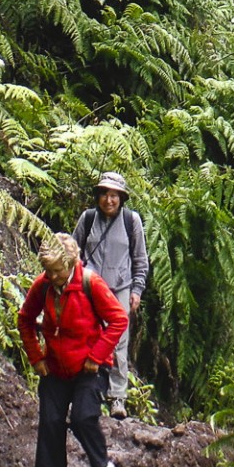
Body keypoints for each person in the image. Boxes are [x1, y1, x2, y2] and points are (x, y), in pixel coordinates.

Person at [19, 233, 127, 467]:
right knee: (51, 422)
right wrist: (36, 357)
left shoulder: (90, 284)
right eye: (48, 270)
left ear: (71, 264)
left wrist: (96, 356)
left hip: (90, 367)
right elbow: (25, 319)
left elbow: (118, 319)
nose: (52, 276)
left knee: (83, 418)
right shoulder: (42, 287)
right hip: (56, 366)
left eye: (58, 270)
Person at [72, 172, 149, 419]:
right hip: (90, 288)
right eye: (104, 194)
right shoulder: (88, 218)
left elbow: (140, 259)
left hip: (120, 289)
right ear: (98, 196)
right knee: (86, 338)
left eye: (114, 195)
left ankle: (117, 398)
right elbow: (73, 252)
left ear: (121, 198)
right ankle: (84, 394)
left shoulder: (131, 221)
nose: (109, 200)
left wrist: (136, 290)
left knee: (119, 343)